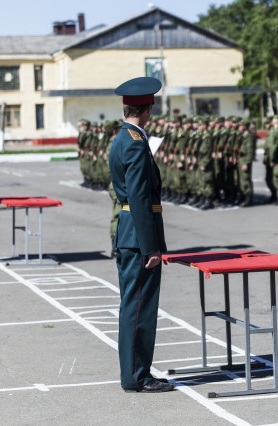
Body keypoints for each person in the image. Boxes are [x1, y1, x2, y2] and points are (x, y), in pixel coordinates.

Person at [109, 76, 173, 393]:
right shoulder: (134, 143)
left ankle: (136, 371)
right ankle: (136, 375)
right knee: (138, 309)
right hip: (138, 237)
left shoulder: (124, 138)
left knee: (134, 306)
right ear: (148, 108)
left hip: (130, 234)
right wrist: (151, 247)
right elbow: (138, 198)